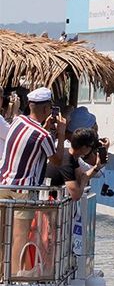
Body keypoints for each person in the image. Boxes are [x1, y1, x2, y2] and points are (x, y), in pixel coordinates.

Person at [0, 88, 66, 276]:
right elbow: (57, 160)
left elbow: (31, 140)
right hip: (23, 190)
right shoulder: (43, 136)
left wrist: (45, 126)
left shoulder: (17, 121)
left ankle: (1, 274)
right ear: (46, 109)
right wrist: (61, 133)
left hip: (3, 184)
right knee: (19, 236)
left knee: (2, 235)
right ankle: (13, 277)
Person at [46, 128, 103, 201]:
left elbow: (81, 176)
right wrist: (84, 180)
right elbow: (76, 195)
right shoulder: (66, 162)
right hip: (49, 204)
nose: (92, 150)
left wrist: (97, 167)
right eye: (91, 147)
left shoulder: (69, 155)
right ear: (84, 148)